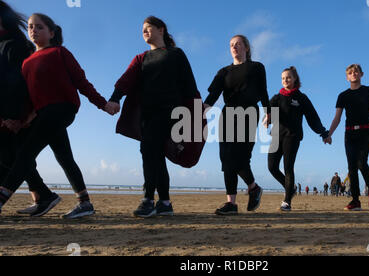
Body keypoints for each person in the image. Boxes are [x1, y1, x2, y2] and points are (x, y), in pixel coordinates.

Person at [0, 13, 112, 218]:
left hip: (62, 108)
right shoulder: (27, 63)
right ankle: (84, 203)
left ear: (51, 33)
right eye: (31, 27)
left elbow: (81, 82)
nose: (34, 30)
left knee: (25, 154)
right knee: (64, 157)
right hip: (44, 113)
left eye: (40, 27)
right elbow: (31, 97)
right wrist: (24, 120)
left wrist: (103, 104)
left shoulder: (60, 52)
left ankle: (2, 197)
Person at [108, 16, 200, 218]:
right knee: (155, 154)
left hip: (171, 111)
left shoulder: (175, 54)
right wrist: (115, 98)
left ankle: (148, 199)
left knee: (148, 148)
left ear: (161, 29)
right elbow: (126, 78)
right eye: (143, 29)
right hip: (147, 114)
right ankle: (165, 203)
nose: (145, 31)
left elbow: (190, 85)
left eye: (149, 28)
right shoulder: (141, 58)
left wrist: (195, 114)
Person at [0, 2, 62, 217]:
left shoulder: (15, 44)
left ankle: (45, 196)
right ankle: (43, 195)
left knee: (13, 155)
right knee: (14, 155)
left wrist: (16, 117)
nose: (33, 30)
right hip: (12, 114)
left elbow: (19, 85)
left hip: (21, 114)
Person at [204, 35, 270, 215]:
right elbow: (213, 94)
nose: (234, 47)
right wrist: (203, 108)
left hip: (248, 113)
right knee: (225, 157)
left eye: (238, 44)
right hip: (227, 114)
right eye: (231, 45)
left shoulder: (256, 67)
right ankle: (232, 203)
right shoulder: (223, 71)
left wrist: (268, 112)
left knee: (239, 156)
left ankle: (253, 187)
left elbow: (263, 90)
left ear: (246, 48)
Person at [263, 66, 328, 211]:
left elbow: (313, 117)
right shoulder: (277, 97)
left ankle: (287, 201)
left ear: (294, 79)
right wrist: (267, 118)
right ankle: (290, 189)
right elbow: (268, 110)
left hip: (292, 136)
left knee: (288, 167)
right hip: (276, 136)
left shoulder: (301, 98)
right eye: (283, 78)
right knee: (272, 167)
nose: (285, 80)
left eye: (288, 77)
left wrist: (323, 133)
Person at [325, 64, 369, 211]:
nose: (353, 74)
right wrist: (329, 134)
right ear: (347, 77)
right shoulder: (343, 95)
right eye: (350, 73)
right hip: (349, 133)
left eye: (356, 72)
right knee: (351, 166)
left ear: (361, 74)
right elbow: (337, 118)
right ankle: (355, 201)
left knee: (361, 162)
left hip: (366, 131)